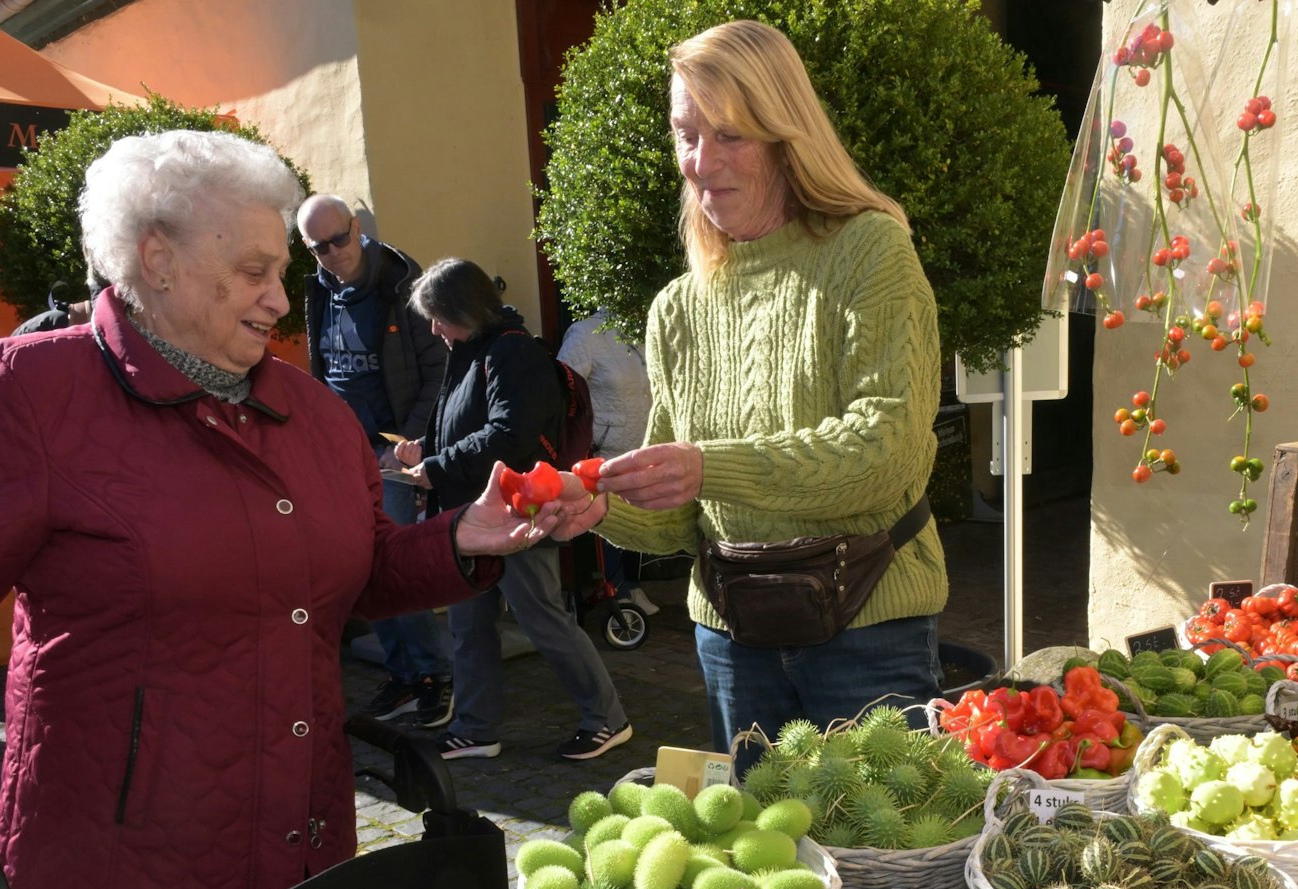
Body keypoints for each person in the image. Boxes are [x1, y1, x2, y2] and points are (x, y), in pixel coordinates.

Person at [0, 130, 584, 889]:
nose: (278, 299)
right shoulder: (32, 395)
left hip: (302, 846)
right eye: (254, 272)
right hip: (135, 868)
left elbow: (356, 570)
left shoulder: (315, 416)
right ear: (157, 260)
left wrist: (459, 538)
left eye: (282, 272)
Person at [554, 19, 945, 755]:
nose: (701, 162)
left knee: (884, 866)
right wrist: (598, 508)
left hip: (868, 627)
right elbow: (684, 522)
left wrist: (710, 464)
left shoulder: (870, 250)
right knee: (763, 863)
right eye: (685, 134)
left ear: (785, 133)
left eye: (729, 135)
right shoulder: (677, 307)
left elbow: (888, 449)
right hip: (732, 638)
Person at [392, 259, 633, 763]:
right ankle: (476, 729)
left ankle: (607, 719)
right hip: (468, 516)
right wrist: (426, 449)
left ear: (464, 309)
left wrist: (436, 465)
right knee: (468, 625)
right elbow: (472, 425)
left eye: (438, 316)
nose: (433, 329)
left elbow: (510, 435)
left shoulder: (512, 352)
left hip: (519, 513)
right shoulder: (472, 349)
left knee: (543, 619)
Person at [300, 194, 453, 727]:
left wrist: (407, 439)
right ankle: (405, 674)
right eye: (317, 247)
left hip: (391, 450)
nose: (331, 253)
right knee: (360, 565)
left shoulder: (401, 287)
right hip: (343, 451)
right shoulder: (319, 289)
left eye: (338, 239)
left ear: (357, 227)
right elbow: (324, 369)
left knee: (395, 564)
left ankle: (434, 676)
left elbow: (439, 369)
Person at [556, 310, 657, 614]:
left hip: (639, 446)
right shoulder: (584, 334)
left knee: (639, 517)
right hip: (605, 448)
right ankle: (618, 590)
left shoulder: (638, 332)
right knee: (610, 517)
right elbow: (563, 389)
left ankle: (634, 586)